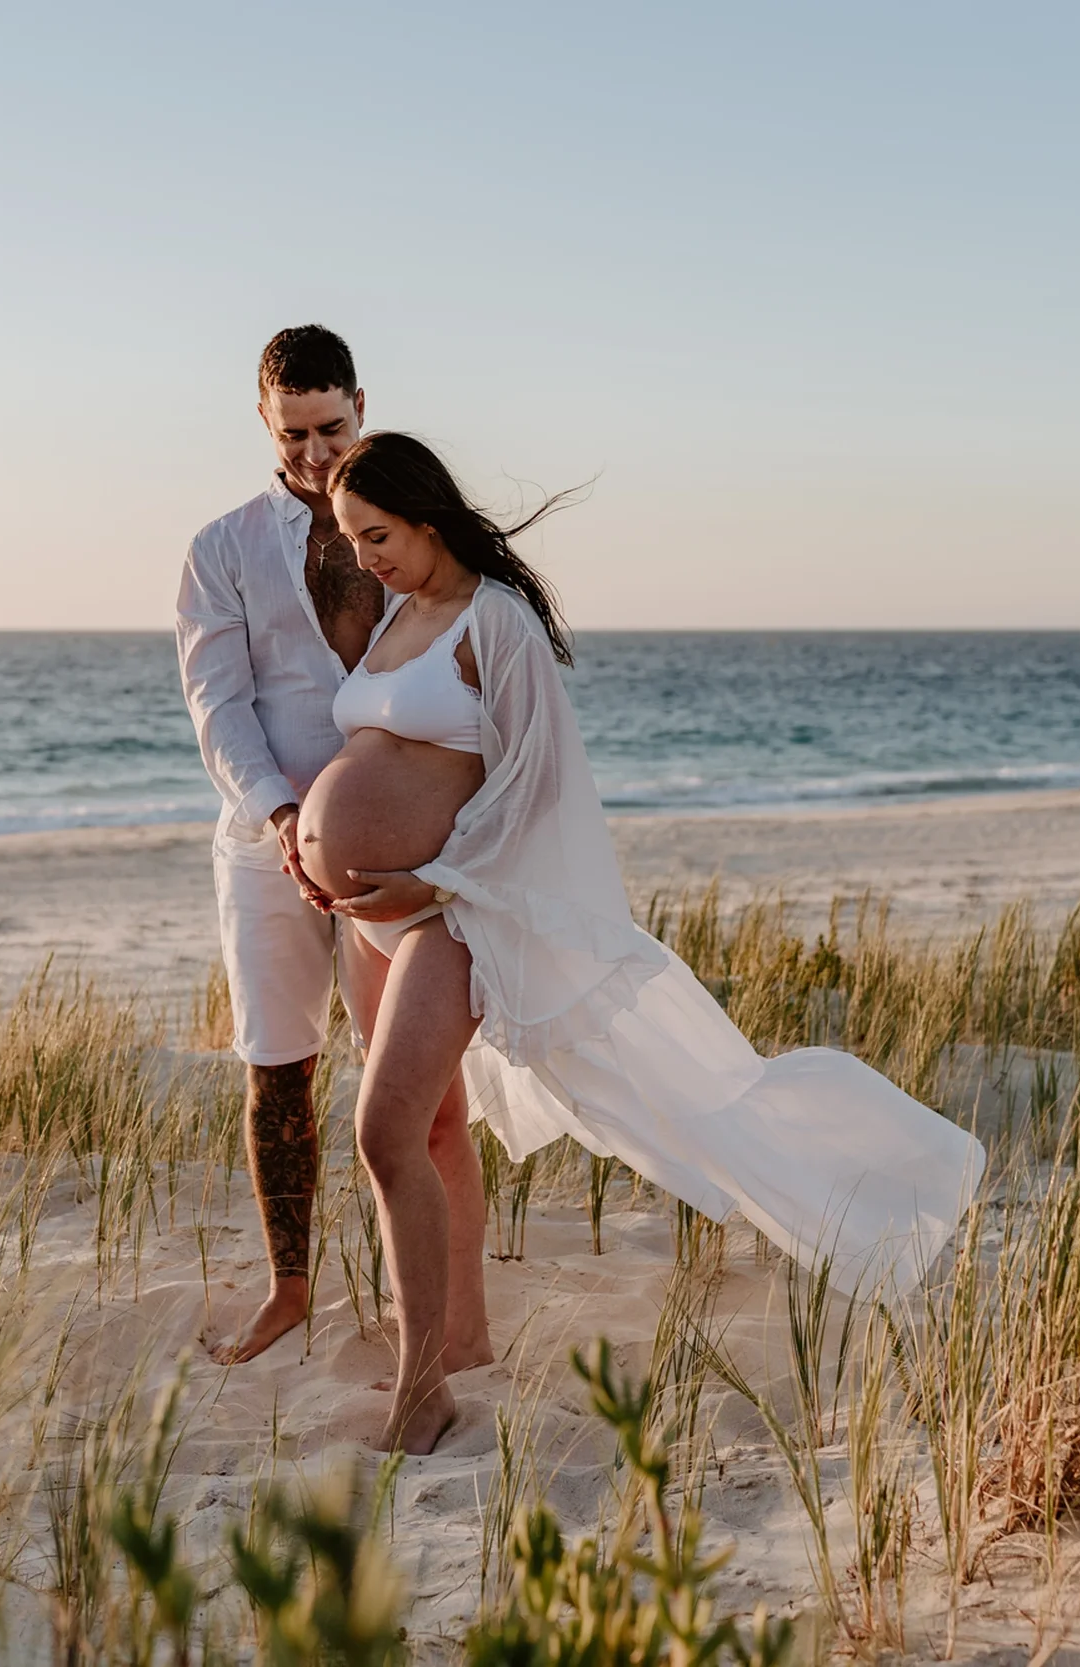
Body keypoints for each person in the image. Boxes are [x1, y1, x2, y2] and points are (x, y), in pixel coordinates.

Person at [298, 432, 986, 1452]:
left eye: (380, 534)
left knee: (381, 1130)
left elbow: (536, 789)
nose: (367, 559)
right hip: (370, 917)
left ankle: (419, 1386)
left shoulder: (497, 623)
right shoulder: (401, 614)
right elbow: (372, 749)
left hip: (452, 912)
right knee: (432, 1131)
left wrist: (431, 877)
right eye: (354, 540)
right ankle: (462, 1341)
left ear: (429, 516)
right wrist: (312, 844)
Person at [176, 328, 492, 1367]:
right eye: (295, 433)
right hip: (266, 847)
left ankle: (442, 1312)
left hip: (392, 858)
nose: (315, 453)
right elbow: (217, 704)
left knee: (414, 1093)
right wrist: (280, 822)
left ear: (362, 404)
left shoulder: (410, 536)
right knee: (277, 1065)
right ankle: (289, 1287)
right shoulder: (221, 548)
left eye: (333, 429)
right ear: (264, 421)